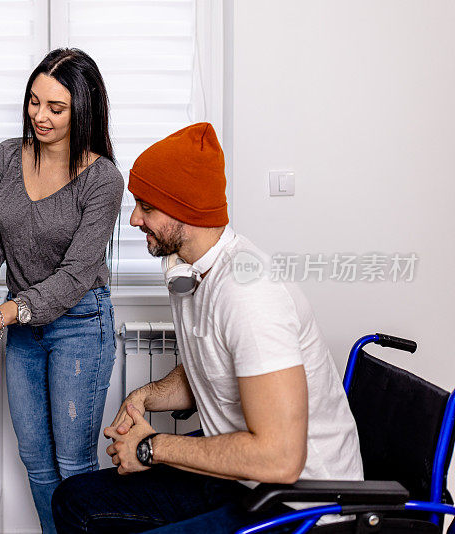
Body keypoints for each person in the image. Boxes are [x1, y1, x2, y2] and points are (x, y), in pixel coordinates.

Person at [51, 122, 363, 533]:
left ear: (185, 209)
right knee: (74, 501)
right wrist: (145, 396)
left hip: (298, 506)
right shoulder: (186, 270)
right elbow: (211, 367)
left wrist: (150, 448)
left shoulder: (250, 295)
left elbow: (280, 459)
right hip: (239, 480)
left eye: (146, 207)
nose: (133, 219)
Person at [0, 48, 124, 533]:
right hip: (24, 327)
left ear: (83, 111)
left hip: (80, 326)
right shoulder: (6, 157)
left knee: (73, 465)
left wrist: (1, 314)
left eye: (56, 108)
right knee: (36, 461)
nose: (40, 116)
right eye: (33, 102)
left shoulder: (103, 180)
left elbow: (74, 276)